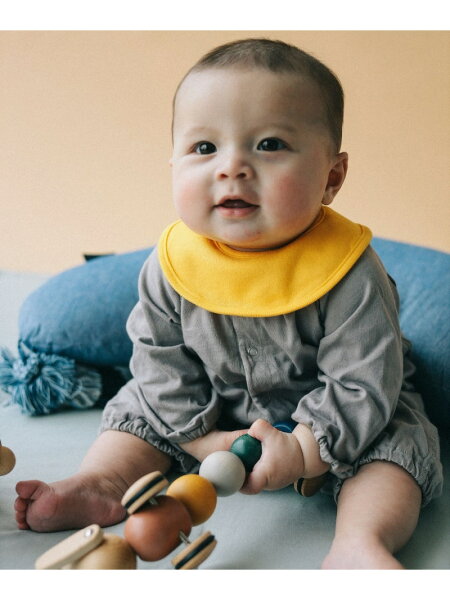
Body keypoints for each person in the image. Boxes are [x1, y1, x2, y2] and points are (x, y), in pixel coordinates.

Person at [14, 38, 443, 569]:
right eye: (204, 148)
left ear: (331, 177)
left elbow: (363, 383)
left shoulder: (350, 272)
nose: (232, 167)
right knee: (138, 405)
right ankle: (101, 483)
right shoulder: (172, 264)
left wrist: (304, 450)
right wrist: (199, 440)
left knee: (397, 446)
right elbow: (161, 362)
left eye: (269, 145)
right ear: (173, 163)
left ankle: (360, 540)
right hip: (209, 408)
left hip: (339, 416)